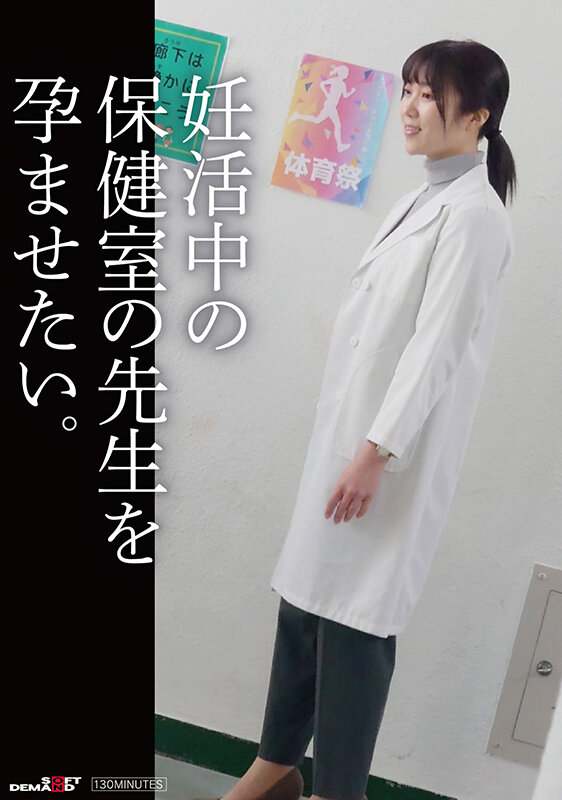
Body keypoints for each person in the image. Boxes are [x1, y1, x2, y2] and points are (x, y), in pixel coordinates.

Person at [197, 38, 517, 800]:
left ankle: (337, 792)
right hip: (349, 442)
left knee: (355, 629)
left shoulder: (476, 218)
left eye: (429, 94)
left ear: (477, 115)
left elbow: (435, 349)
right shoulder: (422, 199)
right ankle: (275, 767)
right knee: (304, 607)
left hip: (385, 457)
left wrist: (378, 451)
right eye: (406, 90)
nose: (409, 108)